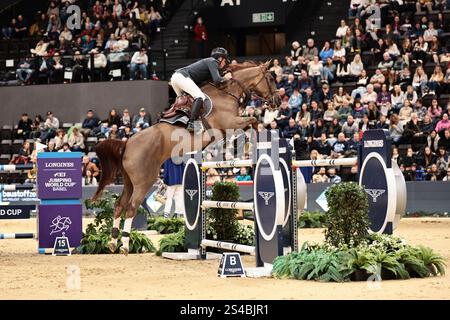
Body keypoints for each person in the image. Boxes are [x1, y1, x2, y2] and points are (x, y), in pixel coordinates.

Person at [170, 47, 232, 133]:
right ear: (220, 58)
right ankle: (191, 123)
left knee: (185, 103)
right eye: (225, 61)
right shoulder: (213, 61)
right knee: (200, 96)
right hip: (182, 77)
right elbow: (217, 80)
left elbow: (212, 80)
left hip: (175, 78)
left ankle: (176, 120)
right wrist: (225, 77)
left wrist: (221, 75)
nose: (225, 64)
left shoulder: (209, 63)